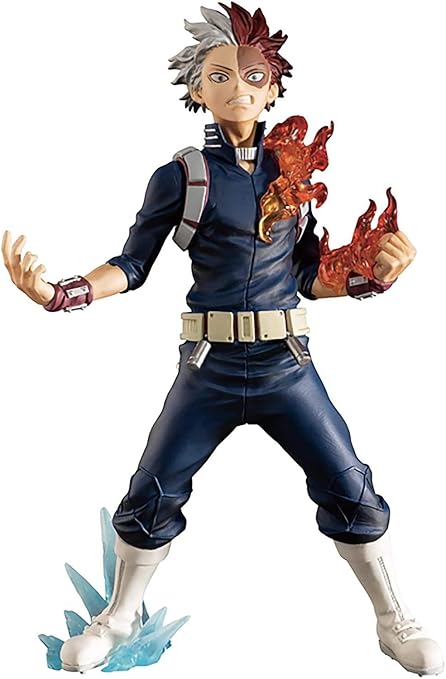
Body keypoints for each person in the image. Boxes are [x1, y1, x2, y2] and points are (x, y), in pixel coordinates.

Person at [1, 2, 442, 675]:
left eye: (254, 75)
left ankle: (392, 617)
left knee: (349, 483)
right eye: (220, 75)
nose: (239, 87)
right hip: (208, 366)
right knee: (153, 489)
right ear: (196, 88)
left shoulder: (294, 172)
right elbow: (134, 264)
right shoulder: (183, 177)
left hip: (286, 365)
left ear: (274, 86)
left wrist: (372, 277)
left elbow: (307, 276)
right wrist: (62, 292)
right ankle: (120, 616)